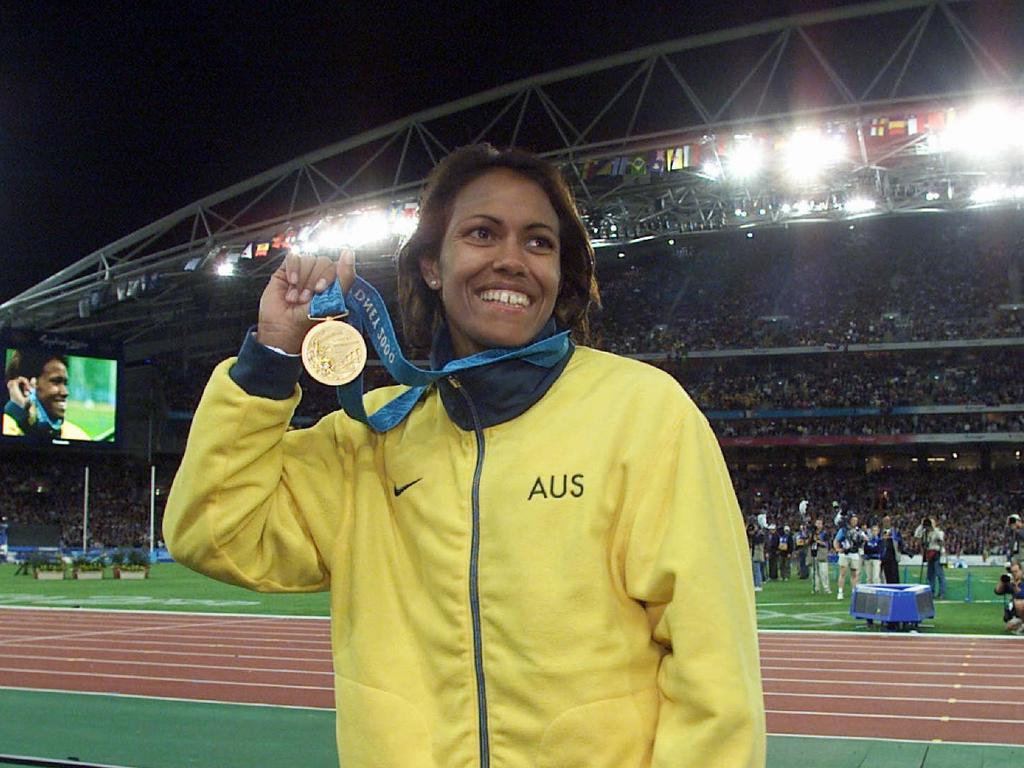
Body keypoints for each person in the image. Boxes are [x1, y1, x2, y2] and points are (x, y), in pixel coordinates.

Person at [163, 145, 766, 768]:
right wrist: (271, 357)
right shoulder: (369, 438)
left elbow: (713, 670)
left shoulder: (643, 413)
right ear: (431, 264)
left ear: (561, 273)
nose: (512, 260)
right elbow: (213, 529)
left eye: (539, 243)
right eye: (482, 233)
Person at [3, 350, 90, 441]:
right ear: (25, 386)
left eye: (65, 383)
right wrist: (16, 411)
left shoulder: (76, 435)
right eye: (56, 381)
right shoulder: (7, 428)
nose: (65, 392)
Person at [834, 513, 866, 601]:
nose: (855, 522)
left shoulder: (858, 531)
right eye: (853, 520)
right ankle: (840, 592)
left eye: (856, 520)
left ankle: (853, 591)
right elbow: (836, 540)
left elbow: (865, 538)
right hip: (845, 553)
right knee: (843, 573)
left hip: (854, 553)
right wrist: (837, 549)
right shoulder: (844, 530)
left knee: (854, 574)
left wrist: (863, 539)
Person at [914, 516, 947, 599]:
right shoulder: (925, 532)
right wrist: (921, 525)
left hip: (937, 553)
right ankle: (931, 592)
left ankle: (942, 593)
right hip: (929, 553)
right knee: (930, 575)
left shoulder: (938, 532)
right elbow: (917, 535)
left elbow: (941, 542)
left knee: (939, 574)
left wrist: (943, 553)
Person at [994, 560, 1024, 635]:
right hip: (1016, 615)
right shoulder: (1011, 582)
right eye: (1012, 572)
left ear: (1021, 571)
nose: (1014, 574)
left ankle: (1022, 624)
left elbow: (1021, 594)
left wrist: (1015, 586)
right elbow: (997, 591)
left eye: (1016, 571)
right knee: (1008, 627)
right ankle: (1021, 624)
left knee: (1019, 602)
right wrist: (1002, 581)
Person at [879, 514, 904, 584]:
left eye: (888, 521)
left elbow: (900, 542)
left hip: (893, 556)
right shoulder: (880, 531)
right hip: (883, 556)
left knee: (894, 575)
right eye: (885, 521)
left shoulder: (895, 531)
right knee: (885, 576)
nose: (886, 522)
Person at [810, 518, 831, 594]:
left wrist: (818, 541)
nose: (818, 525)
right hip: (813, 554)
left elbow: (827, 544)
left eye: (820, 524)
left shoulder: (824, 534)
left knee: (824, 572)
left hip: (822, 553)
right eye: (817, 523)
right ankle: (816, 588)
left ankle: (826, 588)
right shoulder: (812, 533)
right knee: (814, 573)